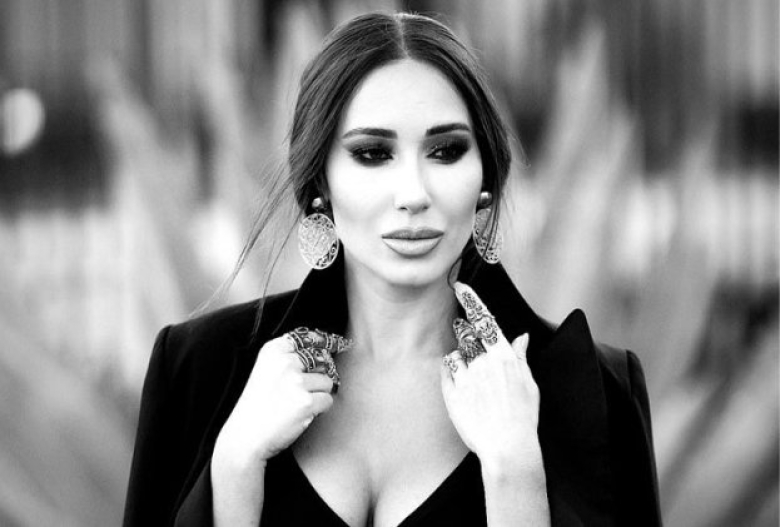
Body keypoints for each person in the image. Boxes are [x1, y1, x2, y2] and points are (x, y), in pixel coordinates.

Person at [123, 11, 661, 527]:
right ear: (319, 183)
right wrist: (236, 466)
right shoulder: (197, 372)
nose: (413, 194)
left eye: (446, 151)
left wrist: (515, 472)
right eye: (373, 153)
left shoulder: (597, 391)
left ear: (485, 178)